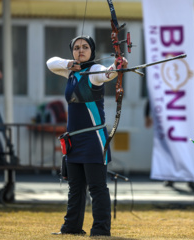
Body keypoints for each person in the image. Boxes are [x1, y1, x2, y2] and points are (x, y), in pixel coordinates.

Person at [46, 35, 128, 237]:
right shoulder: (71, 72)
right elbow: (50, 63)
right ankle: (71, 228)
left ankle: (100, 229)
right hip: (73, 139)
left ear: (91, 50)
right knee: (75, 187)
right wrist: (69, 64)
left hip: (93, 140)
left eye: (84, 47)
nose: (80, 50)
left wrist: (115, 67)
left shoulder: (94, 71)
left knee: (97, 187)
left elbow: (107, 74)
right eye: (76, 47)